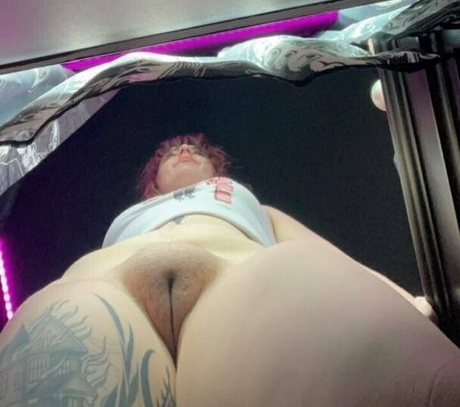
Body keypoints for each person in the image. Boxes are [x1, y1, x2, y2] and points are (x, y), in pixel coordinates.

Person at [0, 133, 459, 407]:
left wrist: (406, 301)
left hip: (244, 283)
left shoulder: (251, 205)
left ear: (218, 170)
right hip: (103, 289)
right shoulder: (127, 220)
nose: (183, 149)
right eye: (172, 151)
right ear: (152, 183)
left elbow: (328, 255)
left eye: (193, 149)